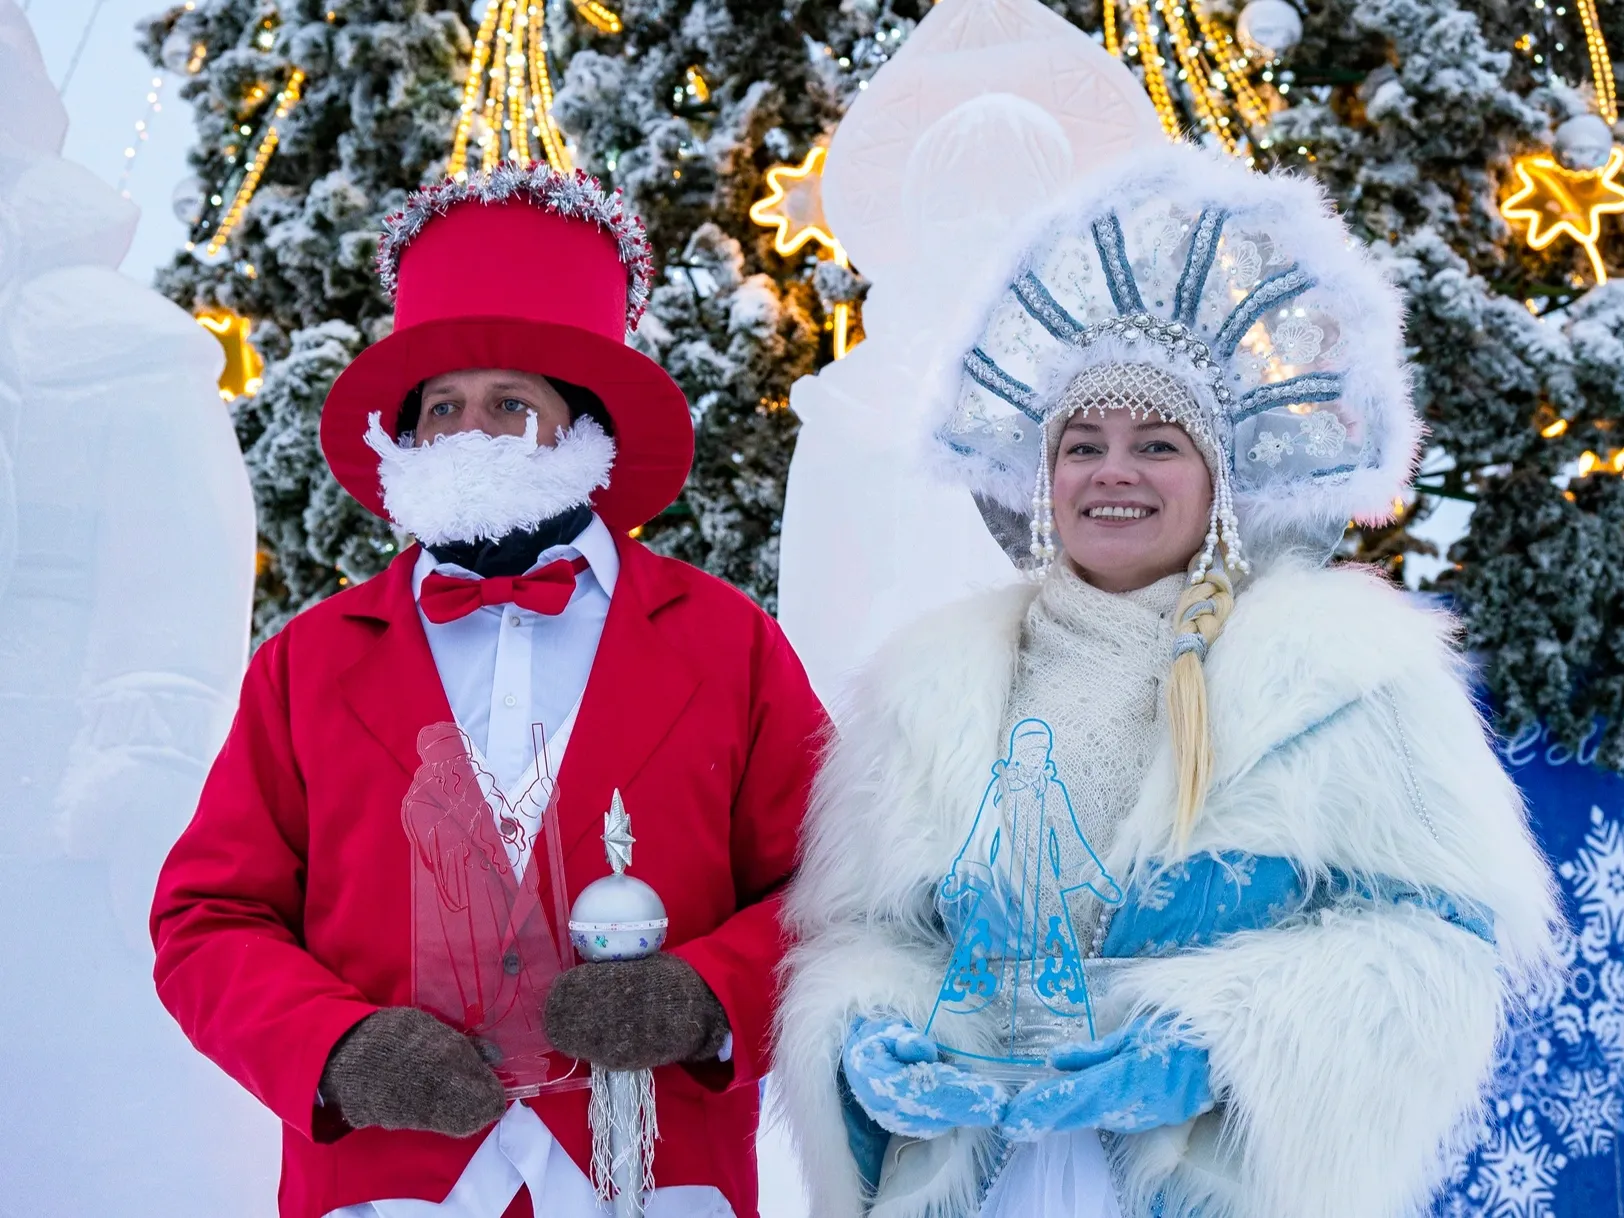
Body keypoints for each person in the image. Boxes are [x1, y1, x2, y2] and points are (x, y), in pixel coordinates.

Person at [775, 144, 1562, 1218]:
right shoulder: (928, 689)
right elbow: (875, 935)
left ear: (1219, 480)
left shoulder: (1343, 675)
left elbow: (1439, 946)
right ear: (1041, 479)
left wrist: (1217, 1049)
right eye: (1082, 443)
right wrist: (866, 1037)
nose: (1112, 471)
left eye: (1156, 444)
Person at [150, 164, 827, 1218]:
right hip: (385, 1184)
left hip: (653, 1179)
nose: (469, 430)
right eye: (443, 407)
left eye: (513, 403)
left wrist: (707, 1000)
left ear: (588, 432)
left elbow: (838, 893)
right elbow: (208, 918)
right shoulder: (306, 661)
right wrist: (339, 1048)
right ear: (407, 439)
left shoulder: (728, 642)